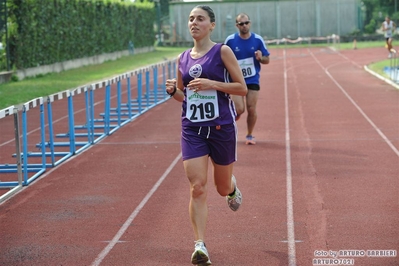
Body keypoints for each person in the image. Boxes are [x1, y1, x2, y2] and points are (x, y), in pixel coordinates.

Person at [165, 5, 247, 266]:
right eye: (190, 19)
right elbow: (183, 95)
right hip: (192, 129)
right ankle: (199, 245)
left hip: (221, 127)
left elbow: (241, 88)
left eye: (200, 19)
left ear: (211, 25)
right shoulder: (182, 58)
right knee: (197, 186)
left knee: (221, 188)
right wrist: (172, 92)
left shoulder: (222, 51)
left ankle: (232, 187)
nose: (194, 23)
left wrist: (213, 84)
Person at [224, 13, 270, 145]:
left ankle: (249, 135)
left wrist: (261, 58)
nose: (244, 26)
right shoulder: (230, 40)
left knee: (251, 108)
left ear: (250, 23)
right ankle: (235, 116)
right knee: (239, 109)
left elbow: (267, 60)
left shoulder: (257, 40)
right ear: (237, 25)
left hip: (252, 80)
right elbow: (222, 56)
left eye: (246, 23)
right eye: (241, 24)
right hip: (236, 80)